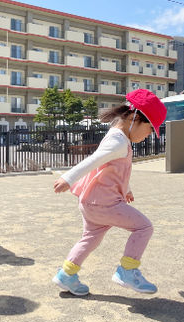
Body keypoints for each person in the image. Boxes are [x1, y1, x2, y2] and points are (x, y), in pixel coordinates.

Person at [51, 89, 166, 296]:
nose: (150, 134)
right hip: (104, 203)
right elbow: (92, 161)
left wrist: (127, 189)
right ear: (134, 118)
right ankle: (128, 271)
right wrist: (68, 178)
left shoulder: (117, 136)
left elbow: (110, 169)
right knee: (143, 227)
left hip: (91, 202)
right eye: (150, 129)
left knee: (90, 238)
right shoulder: (119, 141)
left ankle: (66, 275)